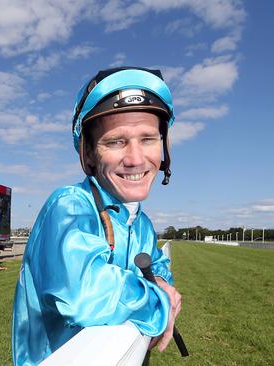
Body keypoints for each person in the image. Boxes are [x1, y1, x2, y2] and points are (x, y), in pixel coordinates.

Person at [11, 67, 182, 365]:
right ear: (89, 154)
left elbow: (160, 272)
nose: (135, 159)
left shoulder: (142, 223)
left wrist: (158, 288)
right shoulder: (69, 205)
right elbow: (83, 293)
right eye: (115, 142)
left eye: (148, 139)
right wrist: (159, 302)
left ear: (163, 146)